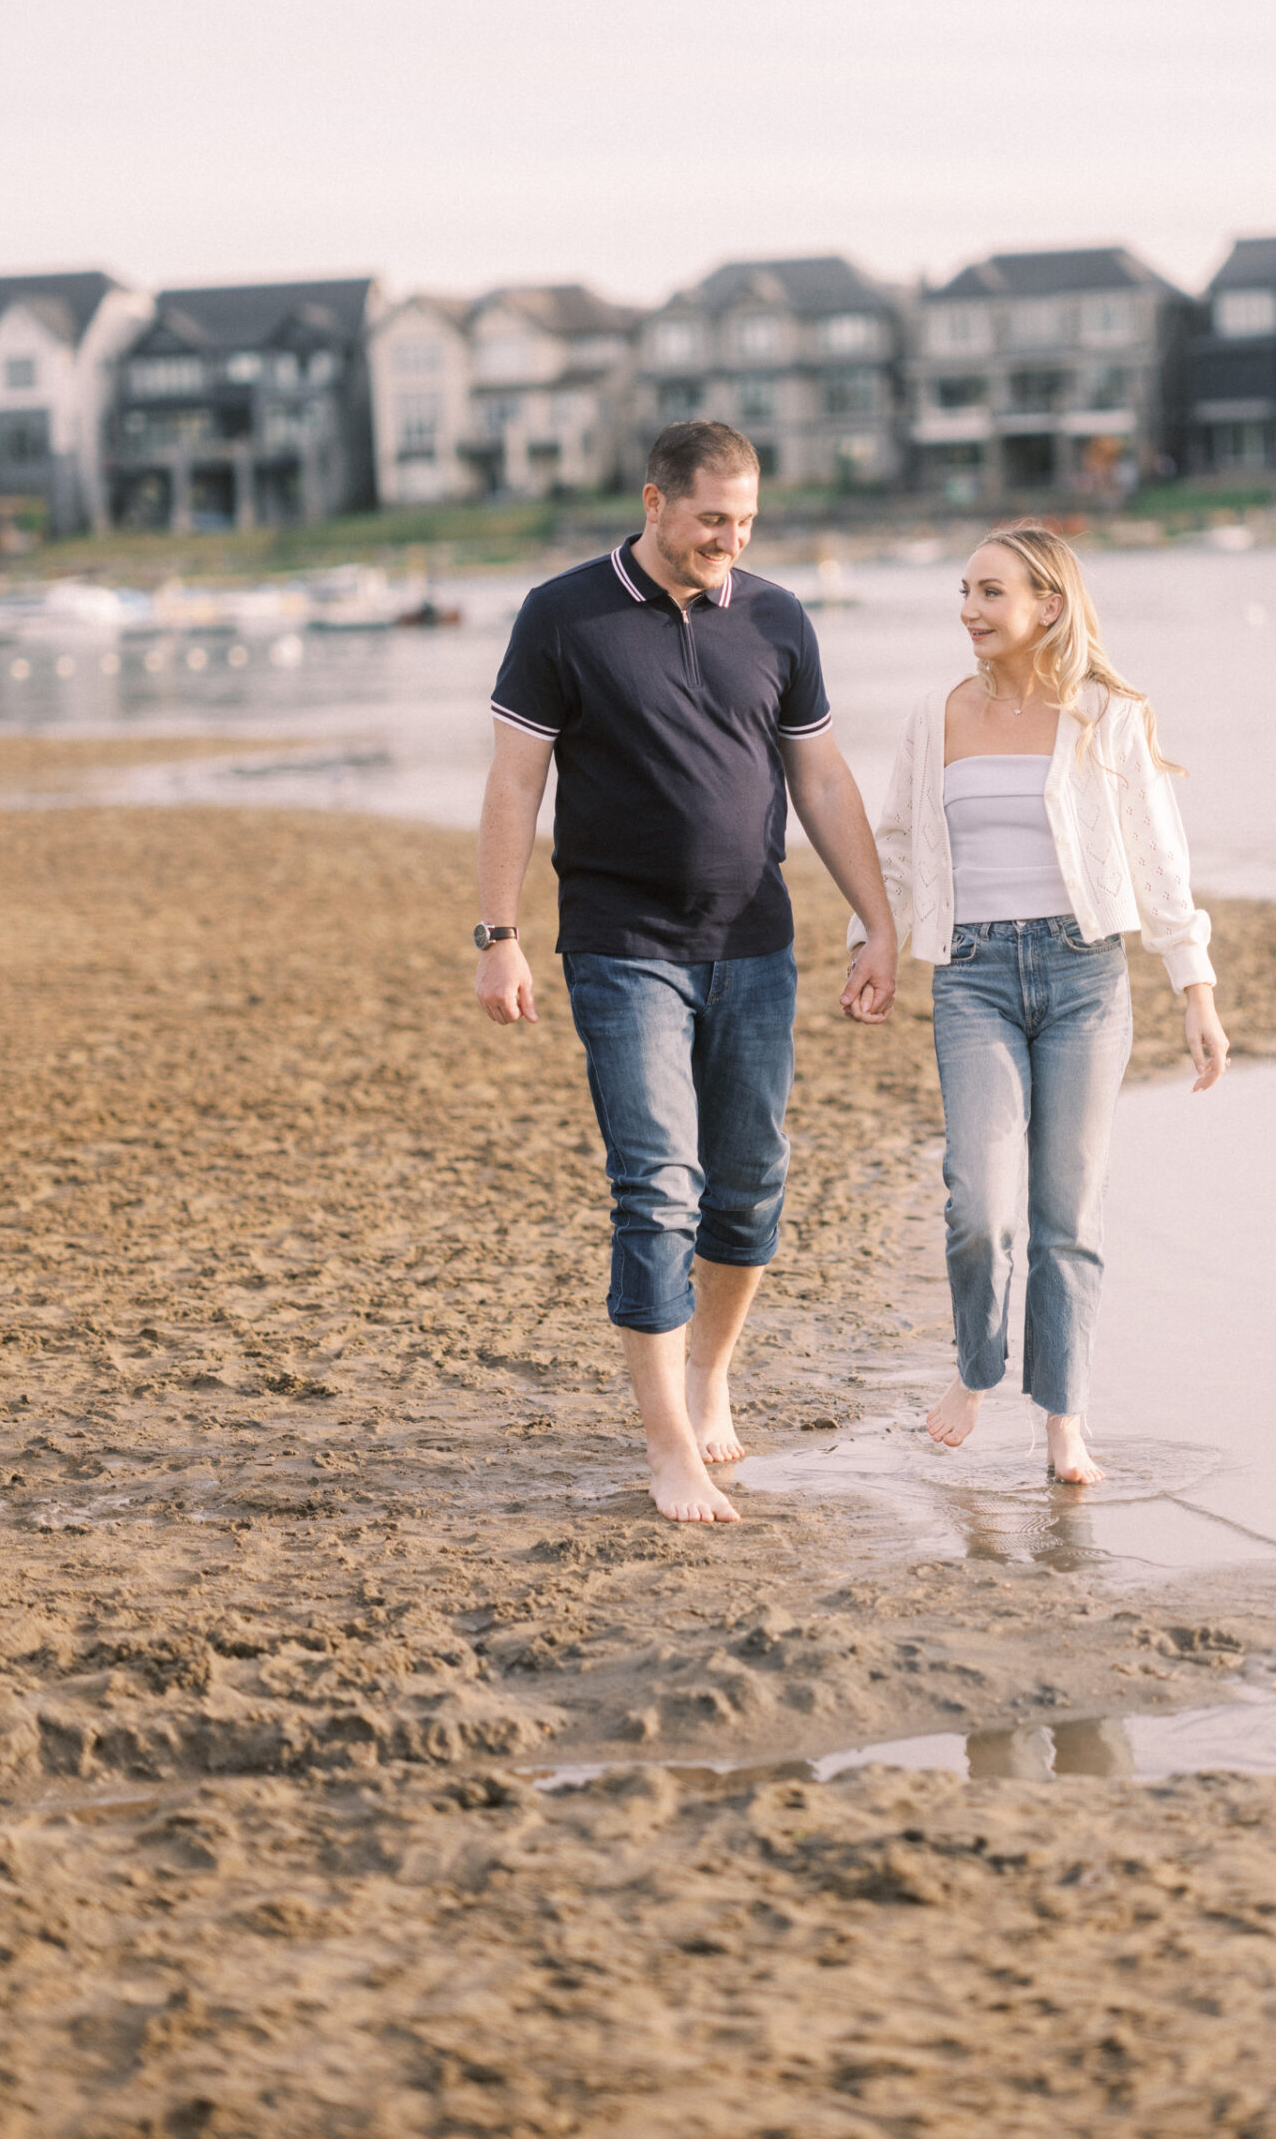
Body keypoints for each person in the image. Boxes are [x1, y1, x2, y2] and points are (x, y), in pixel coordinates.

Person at [474, 420, 899, 1524]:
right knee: (657, 1186)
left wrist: (878, 922)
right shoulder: (563, 614)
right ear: (654, 500)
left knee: (750, 1179)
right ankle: (669, 1447)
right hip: (621, 945)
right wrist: (497, 931)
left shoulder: (775, 616)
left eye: (747, 520)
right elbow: (517, 780)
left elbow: (822, 777)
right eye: (714, 517)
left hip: (754, 940)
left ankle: (712, 1373)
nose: (731, 538)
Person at [858, 524, 1228, 1485]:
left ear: (1046, 606)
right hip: (972, 976)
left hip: (1083, 978)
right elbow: (898, 845)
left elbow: (1157, 853)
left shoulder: (1105, 716)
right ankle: (978, 1371)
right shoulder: (933, 716)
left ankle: (1065, 1420)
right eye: (966, 592)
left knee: (1068, 1216)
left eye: (992, 593)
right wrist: (877, 947)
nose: (971, 611)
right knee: (979, 1207)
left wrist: (1196, 989)